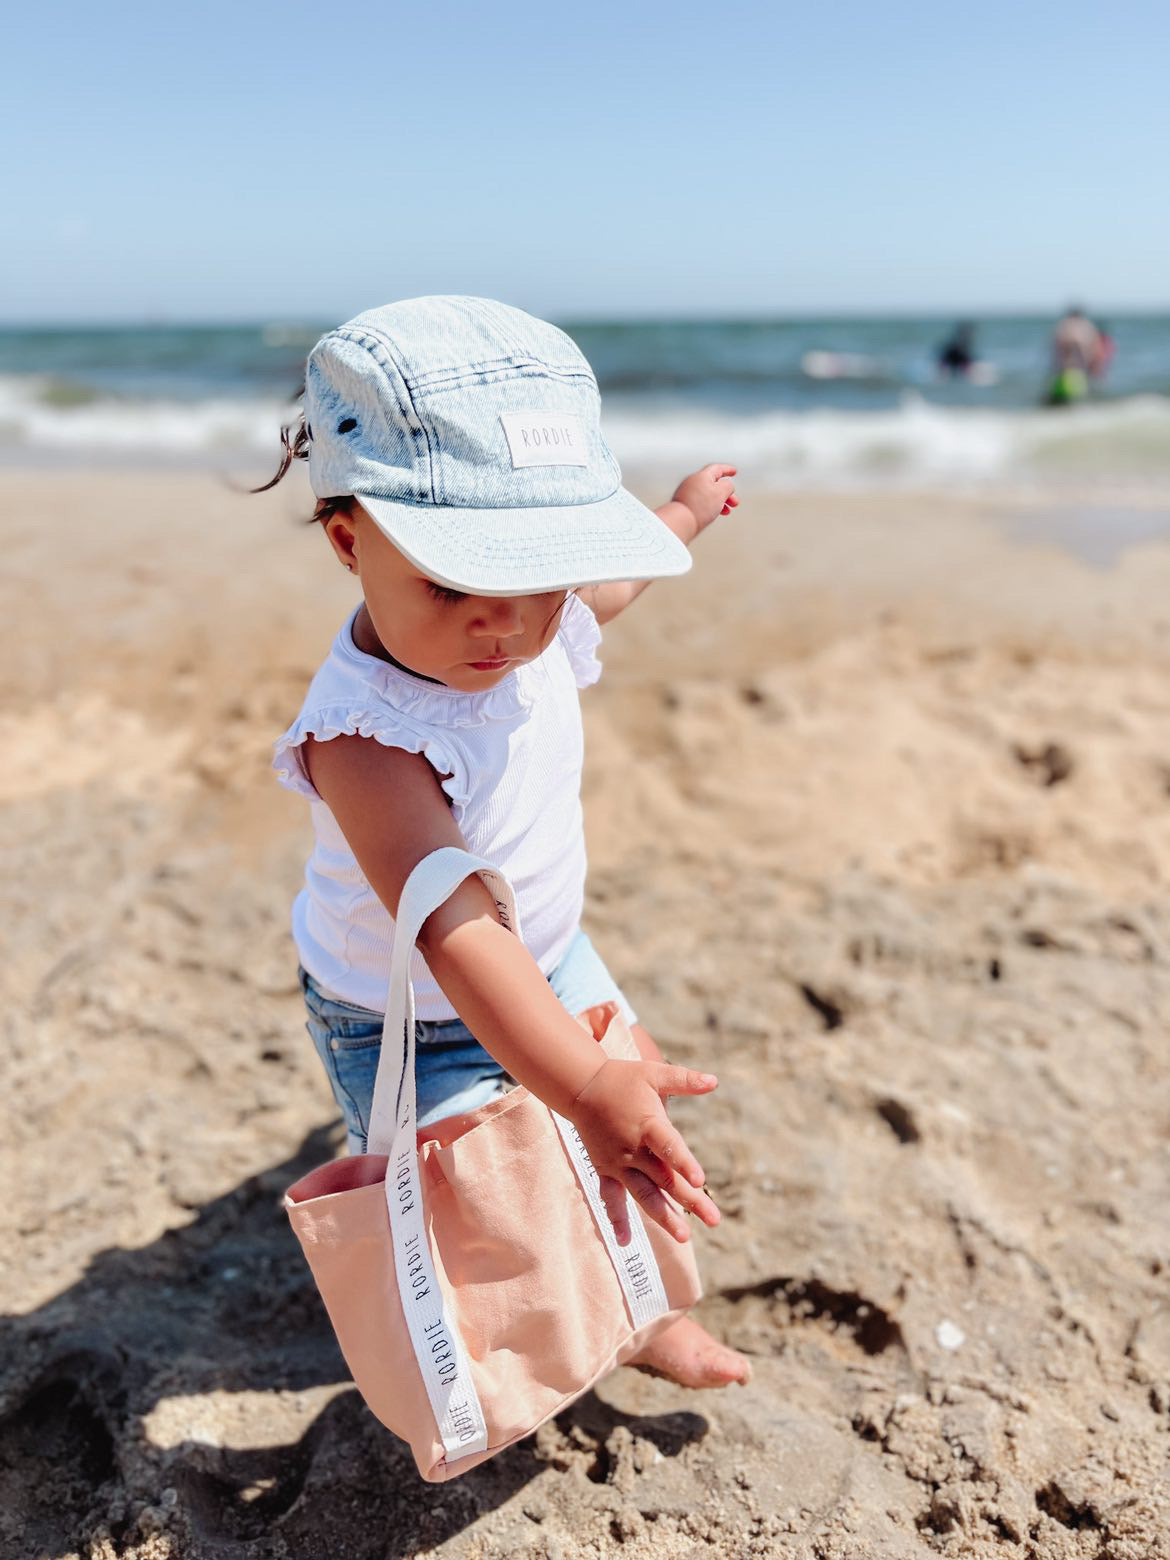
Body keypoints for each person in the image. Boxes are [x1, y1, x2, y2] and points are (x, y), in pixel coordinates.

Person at [257, 296, 751, 1389]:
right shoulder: (365, 740)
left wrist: (676, 515)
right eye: (453, 583)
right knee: (485, 1211)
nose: (506, 627)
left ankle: (650, 1319)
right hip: (411, 1016)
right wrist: (576, 1081)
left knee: (624, 1156)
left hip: (557, 953)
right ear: (349, 542)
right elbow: (453, 927)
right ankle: (501, 1360)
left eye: (539, 581)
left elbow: (608, 591)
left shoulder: (533, 621)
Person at [1046, 305, 1102, 405]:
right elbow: (1092, 351)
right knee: (1075, 403)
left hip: (1062, 373)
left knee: (1058, 405)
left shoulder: (1063, 326)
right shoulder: (1084, 327)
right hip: (1076, 373)